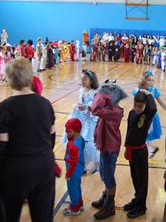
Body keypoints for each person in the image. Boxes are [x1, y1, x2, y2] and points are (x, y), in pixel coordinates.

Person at [0, 58, 56, 222]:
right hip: (44, 167)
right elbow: (51, 137)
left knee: (9, 216)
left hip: (15, 172)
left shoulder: (5, 107)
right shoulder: (45, 104)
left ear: (10, 79)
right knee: (43, 218)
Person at [90, 83, 127, 220]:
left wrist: (101, 94)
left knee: (108, 176)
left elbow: (95, 109)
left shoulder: (114, 111)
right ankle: (106, 197)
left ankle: (109, 206)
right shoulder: (109, 109)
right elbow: (95, 107)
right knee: (104, 172)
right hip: (105, 145)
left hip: (110, 147)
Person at [123, 90, 157, 218]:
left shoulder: (147, 115)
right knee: (135, 178)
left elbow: (153, 107)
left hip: (141, 152)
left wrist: (147, 93)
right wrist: (126, 147)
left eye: (140, 106)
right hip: (132, 151)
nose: (137, 109)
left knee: (142, 181)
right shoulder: (132, 113)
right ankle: (137, 200)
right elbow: (128, 131)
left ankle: (141, 206)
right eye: (135, 105)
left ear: (145, 105)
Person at [65, 70, 100, 173]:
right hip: (81, 120)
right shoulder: (81, 90)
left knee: (89, 143)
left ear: (91, 81)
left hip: (91, 121)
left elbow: (95, 107)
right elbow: (80, 103)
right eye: (82, 79)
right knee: (80, 142)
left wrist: (86, 107)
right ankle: (83, 165)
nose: (83, 81)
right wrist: (78, 107)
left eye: (85, 79)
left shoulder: (95, 93)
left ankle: (96, 162)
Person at [133, 71, 166, 159]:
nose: (151, 82)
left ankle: (150, 149)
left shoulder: (153, 90)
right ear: (143, 80)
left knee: (146, 134)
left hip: (150, 117)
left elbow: (161, 102)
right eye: (149, 80)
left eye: (152, 80)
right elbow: (135, 105)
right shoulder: (137, 91)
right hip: (141, 116)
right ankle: (151, 149)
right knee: (144, 134)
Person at [63, 118, 85, 216]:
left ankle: (75, 208)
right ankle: (79, 204)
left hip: (73, 171)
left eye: (67, 131)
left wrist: (68, 174)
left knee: (72, 188)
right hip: (78, 169)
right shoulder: (80, 139)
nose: (66, 133)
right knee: (77, 186)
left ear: (72, 131)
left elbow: (73, 162)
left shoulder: (73, 145)